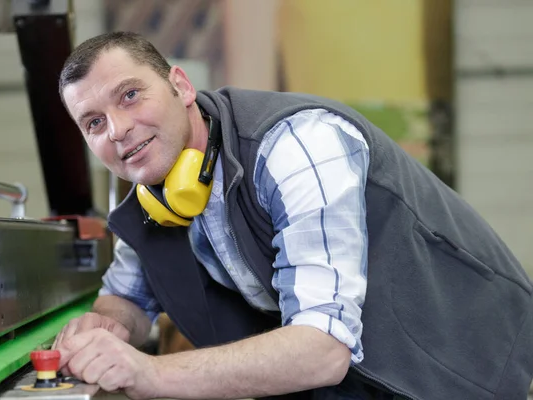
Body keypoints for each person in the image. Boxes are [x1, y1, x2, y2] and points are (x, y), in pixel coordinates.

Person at [52, 31, 533, 400]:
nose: (116, 129)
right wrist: (106, 329)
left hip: (465, 367)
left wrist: (151, 374)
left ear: (180, 86)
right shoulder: (145, 197)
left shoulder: (297, 145)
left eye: (130, 95)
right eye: (93, 122)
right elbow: (126, 300)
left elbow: (321, 349)